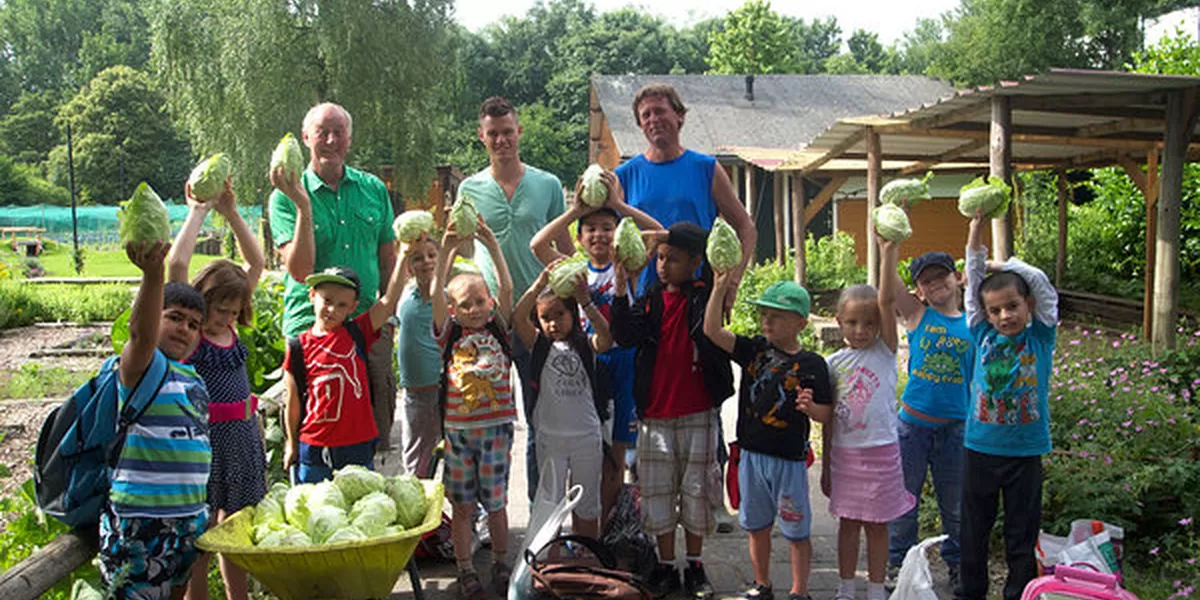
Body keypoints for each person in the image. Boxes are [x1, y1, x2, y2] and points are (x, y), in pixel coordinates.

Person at [457, 96, 574, 504]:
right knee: (485, 420)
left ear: (519, 132)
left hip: (538, 315)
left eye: (508, 132)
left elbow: (564, 248)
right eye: (493, 134)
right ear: (481, 136)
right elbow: (463, 251)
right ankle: (493, 512)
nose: (501, 140)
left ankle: (542, 506)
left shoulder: (547, 185)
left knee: (540, 415)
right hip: (487, 320)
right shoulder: (469, 189)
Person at [610, 222, 734, 600]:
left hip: (698, 412)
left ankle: (694, 566)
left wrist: (719, 277)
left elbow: (714, 274)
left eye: (673, 258)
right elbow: (624, 335)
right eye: (660, 258)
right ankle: (665, 566)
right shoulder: (650, 299)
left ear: (696, 262)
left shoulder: (704, 295)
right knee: (658, 493)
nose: (663, 265)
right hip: (655, 417)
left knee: (697, 491)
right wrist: (621, 285)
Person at [268, 102, 399, 462]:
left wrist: (389, 314)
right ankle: (307, 476)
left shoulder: (372, 189)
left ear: (349, 139)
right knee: (312, 422)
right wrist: (303, 207)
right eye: (322, 132)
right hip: (311, 324)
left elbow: (387, 258)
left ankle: (370, 476)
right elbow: (300, 270)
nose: (330, 140)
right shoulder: (284, 196)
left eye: (338, 132)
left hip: (366, 322)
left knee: (372, 414)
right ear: (305, 137)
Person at [529, 171, 663, 519]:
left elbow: (660, 234)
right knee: (589, 450)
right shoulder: (573, 270)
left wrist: (619, 205)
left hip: (623, 363)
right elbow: (538, 246)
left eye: (607, 228)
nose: (599, 235)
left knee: (615, 456)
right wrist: (576, 210)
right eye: (591, 229)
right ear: (580, 237)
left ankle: (606, 528)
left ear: (618, 234)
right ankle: (583, 527)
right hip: (588, 365)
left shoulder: (629, 267)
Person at [703, 275, 833, 600]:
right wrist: (719, 288)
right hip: (751, 455)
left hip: (789, 459)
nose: (767, 321)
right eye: (764, 314)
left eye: (777, 315)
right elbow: (712, 331)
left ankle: (800, 591)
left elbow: (827, 413)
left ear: (801, 323)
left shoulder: (812, 364)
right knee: (756, 524)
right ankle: (762, 584)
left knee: (796, 528)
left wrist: (811, 408)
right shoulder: (755, 350)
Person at [168, 180, 266, 600]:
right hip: (206, 445)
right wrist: (198, 211)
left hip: (241, 440)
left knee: (236, 533)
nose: (226, 318)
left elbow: (256, 262)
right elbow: (177, 266)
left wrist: (233, 213)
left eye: (233, 311)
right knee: (203, 536)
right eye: (220, 309)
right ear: (202, 301)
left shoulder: (231, 329)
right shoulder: (194, 336)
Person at [956, 212, 1059, 600]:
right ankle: (971, 592)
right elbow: (971, 286)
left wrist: (1001, 266)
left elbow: (1042, 283)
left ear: (1028, 305)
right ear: (986, 314)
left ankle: (1018, 593)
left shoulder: (1041, 337)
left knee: (1022, 532)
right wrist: (974, 231)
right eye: (996, 310)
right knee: (973, 529)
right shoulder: (981, 332)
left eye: (1013, 306)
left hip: (1026, 451)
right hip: (980, 448)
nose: (1005, 316)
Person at [100, 240, 211, 600]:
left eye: (193, 325)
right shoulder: (143, 368)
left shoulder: (193, 378)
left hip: (188, 517)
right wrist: (153, 276)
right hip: (142, 519)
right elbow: (141, 334)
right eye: (174, 317)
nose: (184, 329)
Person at [280, 230, 411, 483]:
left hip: (357, 442)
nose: (332, 309)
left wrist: (403, 255)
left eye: (342, 305)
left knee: (358, 500)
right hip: (315, 444)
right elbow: (293, 399)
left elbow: (388, 301)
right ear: (312, 296)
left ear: (352, 307)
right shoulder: (298, 346)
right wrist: (291, 444)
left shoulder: (357, 332)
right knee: (317, 503)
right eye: (327, 300)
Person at [431, 218, 516, 600]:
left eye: (480, 301)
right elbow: (436, 293)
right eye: (465, 305)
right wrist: (447, 250)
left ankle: (500, 563)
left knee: (496, 504)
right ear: (453, 310)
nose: (475, 309)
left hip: (496, 431)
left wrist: (492, 245)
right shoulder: (449, 333)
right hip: (459, 434)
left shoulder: (499, 328)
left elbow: (507, 286)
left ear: (491, 302)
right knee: (462, 506)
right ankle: (465, 569)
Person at [615, 83, 755, 313]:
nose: (653, 119)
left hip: (698, 298)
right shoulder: (625, 175)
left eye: (660, 111)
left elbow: (746, 227)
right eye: (646, 115)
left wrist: (732, 282)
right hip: (645, 301)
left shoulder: (706, 168)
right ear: (640, 124)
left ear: (679, 116)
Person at [880, 238, 972, 588]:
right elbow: (889, 287)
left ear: (957, 277)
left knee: (956, 506)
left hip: (956, 430)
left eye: (941, 277)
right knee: (904, 502)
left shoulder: (974, 323)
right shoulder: (919, 315)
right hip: (912, 428)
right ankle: (899, 563)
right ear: (918, 290)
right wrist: (889, 248)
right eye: (926, 281)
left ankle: (958, 565)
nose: (935, 285)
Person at [822, 282, 917, 600]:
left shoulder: (885, 351)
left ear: (881, 324)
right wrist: (826, 466)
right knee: (848, 524)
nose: (861, 330)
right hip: (845, 456)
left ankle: (876, 590)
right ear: (838, 322)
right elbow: (829, 418)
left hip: (881, 454)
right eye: (852, 322)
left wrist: (888, 256)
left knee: (878, 526)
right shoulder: (832, 365)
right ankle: (846, 588)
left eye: (869, 323)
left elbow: (887, 301)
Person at [512, 260, 613, 538]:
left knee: (587, 503)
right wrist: (540, 283)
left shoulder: (586, 345)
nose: (553, 323)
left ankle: (585, 549)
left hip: (586, 437)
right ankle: (551, 552)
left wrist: (586, 302)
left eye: (560, 314)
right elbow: (518, 317)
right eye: (545, 317)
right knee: (550, 503)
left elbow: (606, 337)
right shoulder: (538, 345)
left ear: (573, 313)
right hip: (551, 439)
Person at [394, 235, 443, 477]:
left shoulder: (446, 298)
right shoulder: (404, 296)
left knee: (449, 452)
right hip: (414, 391)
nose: (426, 262)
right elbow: (391, 291)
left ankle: (460, 499)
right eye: (418, 258)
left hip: (443, 388)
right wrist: (403, 253)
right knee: (415, 454)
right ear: (408, 267)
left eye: (432, 255)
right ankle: (417, 490)